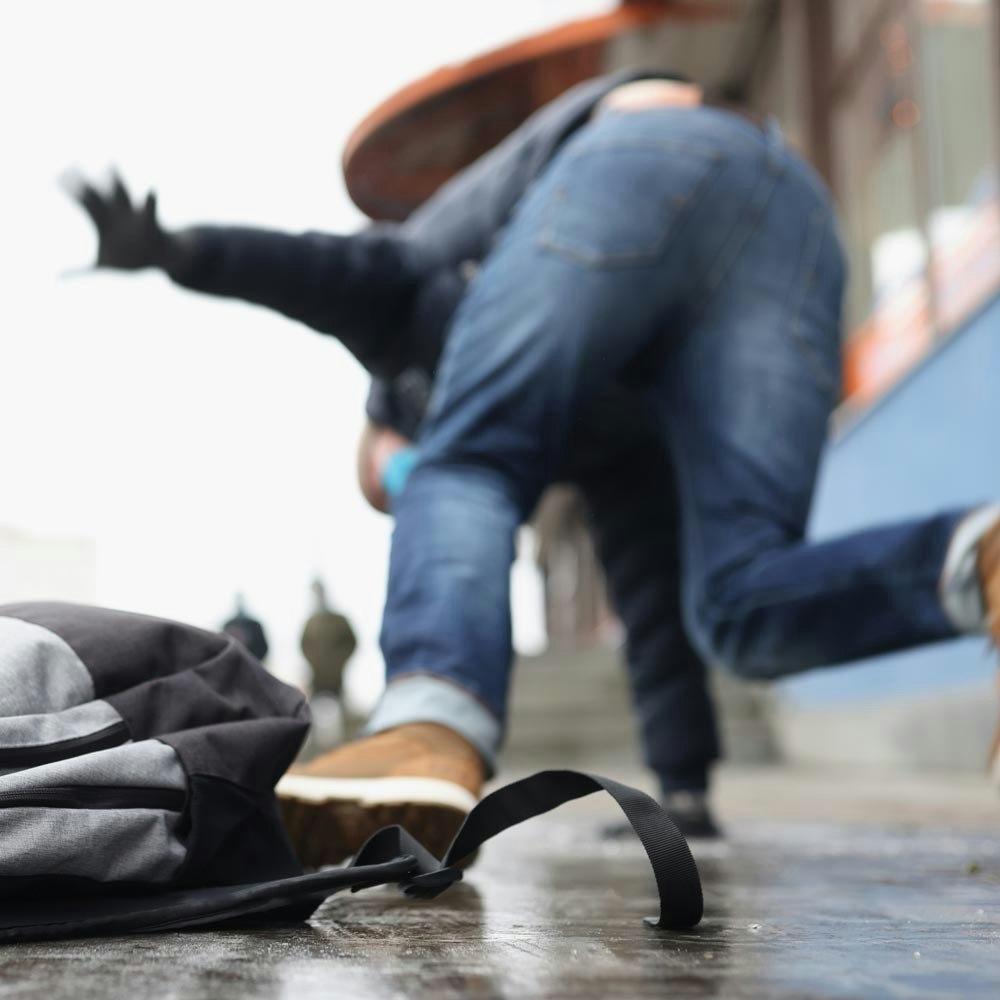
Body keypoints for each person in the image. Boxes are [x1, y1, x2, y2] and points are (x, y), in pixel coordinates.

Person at [68, 72, 1000, 865]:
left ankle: (431, 728)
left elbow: (334, 267)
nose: (409, 494)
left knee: (471, 460)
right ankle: (973, 557)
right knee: (736, 599)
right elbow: (647, 595)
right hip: (791, 213)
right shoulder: (605, 435)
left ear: (385, 424)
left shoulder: (409, 323)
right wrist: (682, 795)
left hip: (637, 159)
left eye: (392, 481)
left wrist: (181, 253)